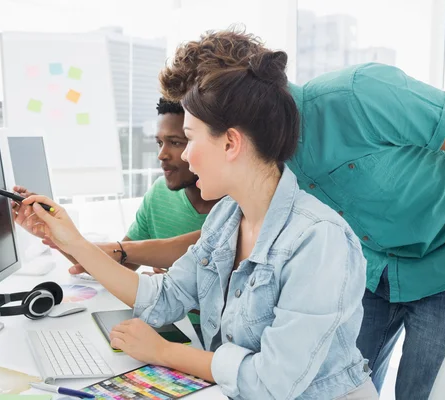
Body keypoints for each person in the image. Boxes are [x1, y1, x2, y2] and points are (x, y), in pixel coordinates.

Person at [108, 29, 445, 400]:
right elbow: (218, 240)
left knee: (423, 392)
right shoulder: (261, 164)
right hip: (372, 265)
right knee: (331, 378)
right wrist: (124, 251)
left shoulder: (362, 94)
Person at [19, 49, 378, 399]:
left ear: (231, 143)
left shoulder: (318, 240)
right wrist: (72, 239)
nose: (185, 155)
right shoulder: (226, 218)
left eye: (189, 138)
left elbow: (271, 383)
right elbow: (164, 297)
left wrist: (163, 352)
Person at [12, 98, 217, 344]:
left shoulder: (238, 210)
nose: (162, 154)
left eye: (175, 142)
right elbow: (113, 269)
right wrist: (51, 231)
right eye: (159, 143)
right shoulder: (159, 194)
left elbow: (118, 255)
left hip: (209, 342)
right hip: (166, 329)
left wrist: (169, 286)